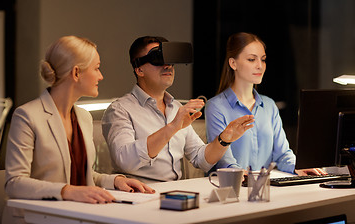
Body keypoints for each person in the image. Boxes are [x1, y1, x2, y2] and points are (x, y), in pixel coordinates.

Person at [3, 36, 153, 223]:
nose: (101, 76)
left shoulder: (83, 117)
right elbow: (14, 184)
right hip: (36, 219)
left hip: (76, 217)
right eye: (97, 68)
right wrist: (67, 191)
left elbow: (84, 175)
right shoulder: (26, 116)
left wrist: (115, 181)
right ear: (76, 73)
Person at [102, 36, 255, 183]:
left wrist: (224, 139)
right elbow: (124, 160)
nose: (167, 65)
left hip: (174, 192)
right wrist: (172, 127)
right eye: (158, 59)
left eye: (170, 59)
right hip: (137, 194)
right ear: (139, 70)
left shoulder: (176, 108)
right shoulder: (120, 110)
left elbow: (200, 159)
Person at [205, 32, 327, 176]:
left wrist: (299, 166)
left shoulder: (269, 105)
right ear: (233, 63)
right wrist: (243, 175)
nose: (260, 66)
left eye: (263, 60)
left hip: (265, 187)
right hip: (231, 187)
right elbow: (225, 161)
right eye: (251, 59)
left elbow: (282, 154)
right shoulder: (216, 106)